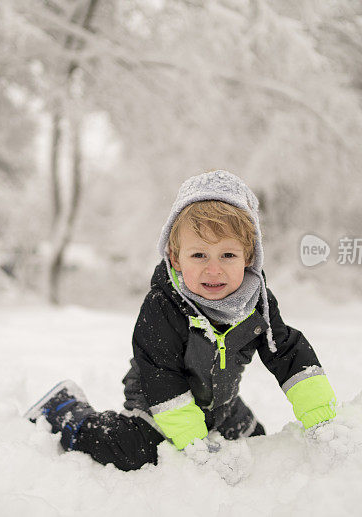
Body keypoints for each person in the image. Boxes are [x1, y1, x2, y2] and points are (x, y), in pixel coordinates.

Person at [25, 170, 337, 473]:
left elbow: (286, 351)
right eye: (199, 255)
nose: (213, 270)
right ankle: (67, 412)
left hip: (220, 405)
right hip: (158, 400)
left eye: (228, 255)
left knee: (257, 444)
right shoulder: (165, 304)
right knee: (135, 451)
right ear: (176, 258)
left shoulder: (256, 302)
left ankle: (214, 428)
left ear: (249, 257)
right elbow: (161, 374)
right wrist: (194, 442)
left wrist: (321, 417)